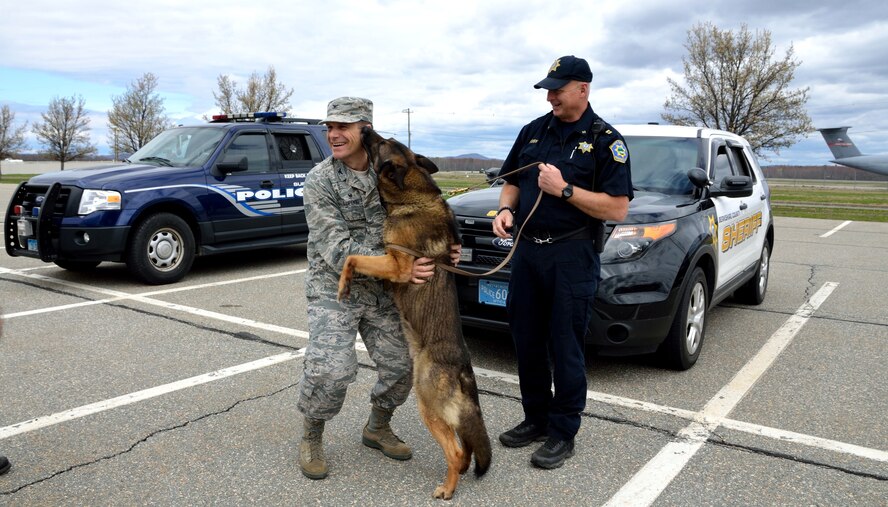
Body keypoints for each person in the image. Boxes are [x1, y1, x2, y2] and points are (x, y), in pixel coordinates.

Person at [493, 56, 634, 469]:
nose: (551, 95)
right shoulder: (533, 131)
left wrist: (565, 190)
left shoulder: (607, 140)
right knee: (527, 340)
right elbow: (511, 183)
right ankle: (535, 419)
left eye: (558, 87)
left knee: (565, 346)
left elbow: (618, 208)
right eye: (548, 89)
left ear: (583, 89)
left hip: (572, 255)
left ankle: (562, 431)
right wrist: (504, 210)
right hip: (528, 252)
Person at [296, 96, 447, 480]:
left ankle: (377, 426)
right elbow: (336, 249)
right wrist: (399, 268)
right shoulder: (320, 180)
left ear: (365, 130)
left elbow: (421, 211)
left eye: (342, 127)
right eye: (329, 127)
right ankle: (312, 433)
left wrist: (443, 247)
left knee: (402, 364)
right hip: (336, 287)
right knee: (331, 369)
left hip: (382, 293)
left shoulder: (391, 173)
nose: (333, 134)